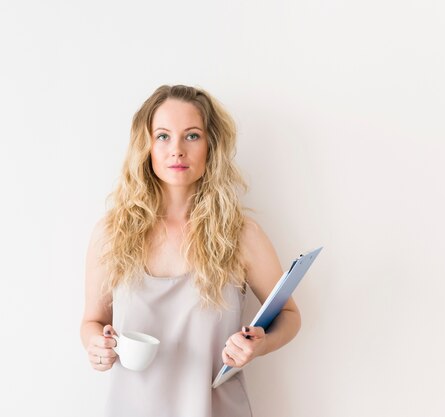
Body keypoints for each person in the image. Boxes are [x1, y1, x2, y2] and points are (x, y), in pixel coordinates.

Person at [80, 84, 301, 417]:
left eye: (192, 136)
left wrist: (260, 344)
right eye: (164, 136)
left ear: (211, 145)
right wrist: (96, 345)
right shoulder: (111, 233)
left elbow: (289, 315)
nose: (177, 150)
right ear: (147, 146)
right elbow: (92, 322)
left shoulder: (241, 234)